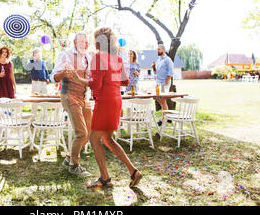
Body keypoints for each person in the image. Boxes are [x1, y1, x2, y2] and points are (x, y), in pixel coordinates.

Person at [69, 27, 142, 188]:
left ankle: (105, 179)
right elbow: (125, 82)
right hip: (116, 101)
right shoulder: (117, 59)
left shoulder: (98, 58)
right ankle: (133, 171)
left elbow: (96, 84)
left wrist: (79, 78)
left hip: (105, 102)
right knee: (107, 139)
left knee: (94, 139)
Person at [50, 32, 92, 176]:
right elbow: (53, 76)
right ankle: (74, 165)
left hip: (84, 97)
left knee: (89, 132)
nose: (84, 44)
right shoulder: (66, 55)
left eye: (86, 41)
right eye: (81, 41)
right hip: (69, 95)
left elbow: (91, 77)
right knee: (81, 132)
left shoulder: (88, 57)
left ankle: (69, 157)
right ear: (75, 42)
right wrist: (63, 74)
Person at [152, 44, 174, 126]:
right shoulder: (158, 60)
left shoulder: (168, 60)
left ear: (163, 50)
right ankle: (167, 115)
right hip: (158, 82)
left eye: (159, 49)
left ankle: (163, 118)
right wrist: (154, 68)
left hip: (164, 82)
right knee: (157, 98)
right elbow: (156, 73)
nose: (158, 51)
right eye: (157, 49)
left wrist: (165, 82)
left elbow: (171, 72)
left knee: (163, 99)